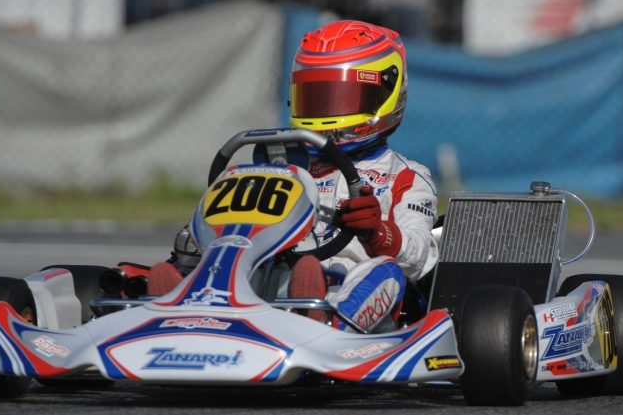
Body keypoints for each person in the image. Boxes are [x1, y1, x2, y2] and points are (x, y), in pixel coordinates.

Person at [148, 20, 439, 331]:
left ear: (384, 93)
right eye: (316, 98)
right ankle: (182, 303)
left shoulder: (406, 177)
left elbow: (422, 258)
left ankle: (327, 323)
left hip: (349, 294)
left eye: (340, 98)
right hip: (272, 283)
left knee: (385, 272)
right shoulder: (282, 168)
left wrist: (378, 232)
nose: (327, 112)